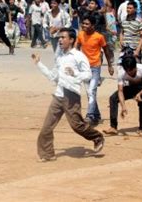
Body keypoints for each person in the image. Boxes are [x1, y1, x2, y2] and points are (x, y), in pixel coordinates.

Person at [32, 28, 104, 162]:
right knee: (47, 127)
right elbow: (53, 77)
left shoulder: (78, 56)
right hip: (59, 95)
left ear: (71, 40)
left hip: (71, 95)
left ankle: (97, 137)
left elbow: (88, 75)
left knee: (77, 126)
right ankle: (47, 154)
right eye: (59, 37)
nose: (59, 40)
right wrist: (39, 64)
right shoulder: (59, 58)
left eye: (63, 37)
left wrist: (75, 74)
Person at [76, 15, 114, 125]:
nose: (84, 25)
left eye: (87, 24)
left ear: (93, 26)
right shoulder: (80, 35)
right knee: (89, 92)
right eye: (83, 23)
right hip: (84, 68)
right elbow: (77, 48)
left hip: (95, 67)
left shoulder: (99, 37)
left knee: (92, 90)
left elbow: (106, 51)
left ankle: (90, 115)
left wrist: (110, 66)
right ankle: (96, 115)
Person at [103, 56, 142, 137]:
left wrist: (139, 94)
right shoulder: (121, 72)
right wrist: (123, 106)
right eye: (127, 71)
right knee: (113, 98)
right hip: (130, 87)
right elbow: (120, 91)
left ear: (135, 66)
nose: (130, 73)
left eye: (131, 70)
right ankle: (113, 127)